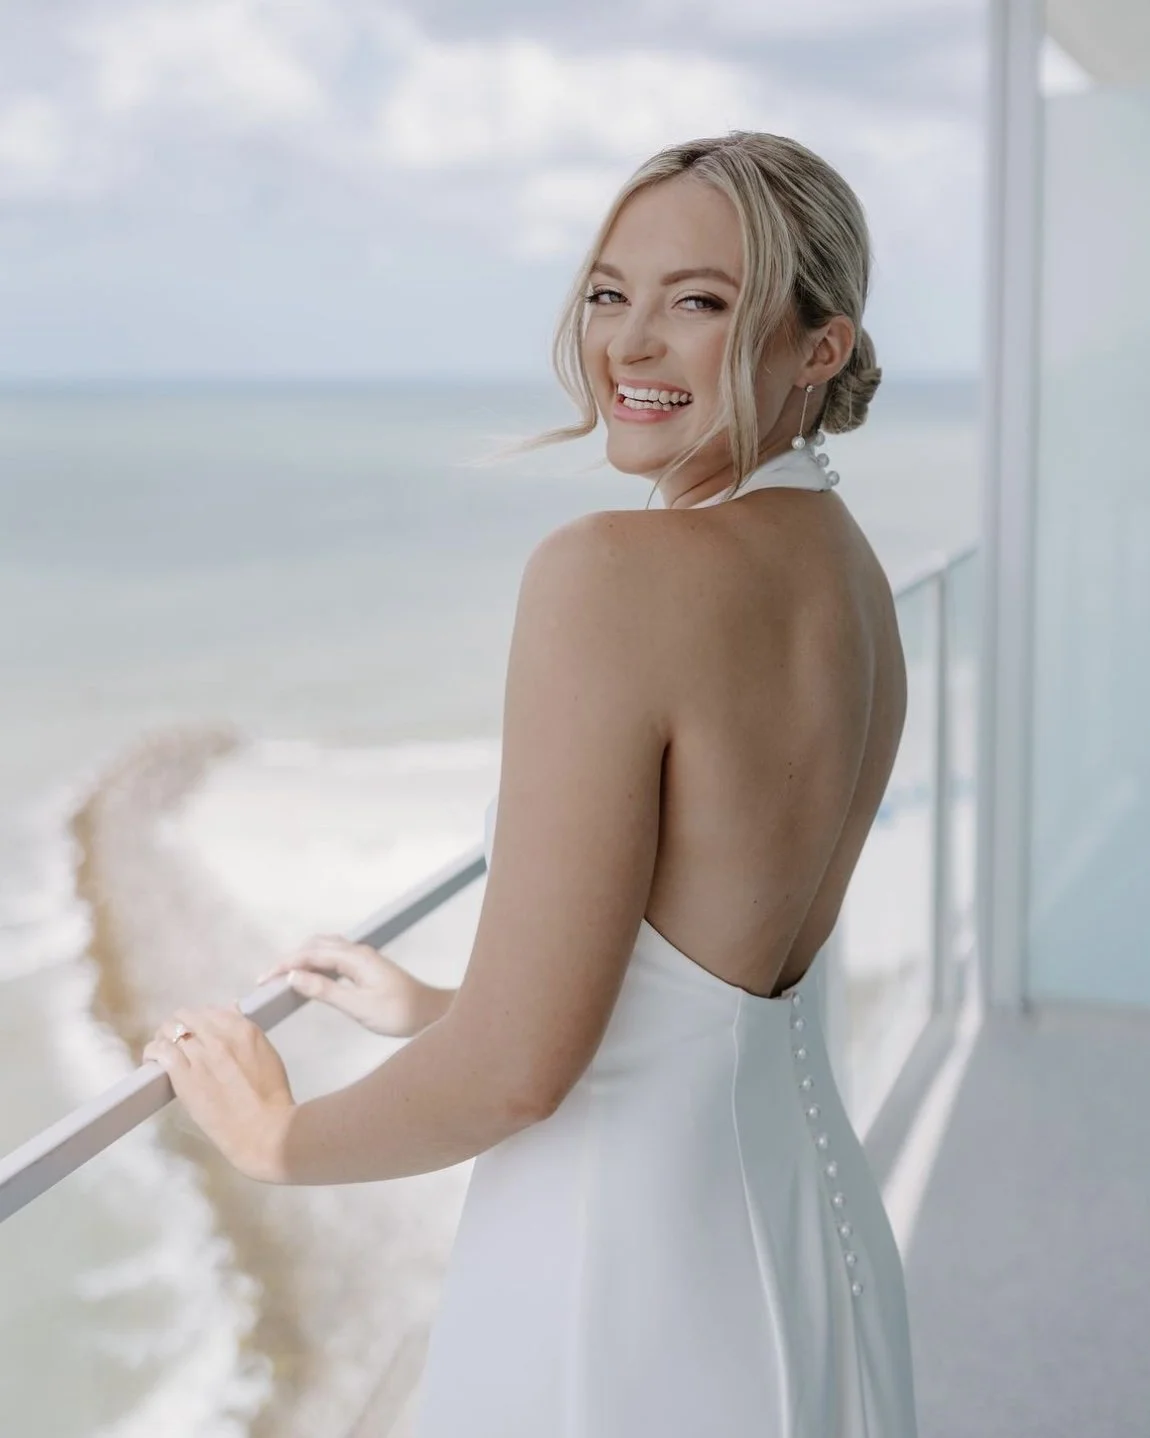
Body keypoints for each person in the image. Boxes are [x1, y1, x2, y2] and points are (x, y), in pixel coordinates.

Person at [145, 130, 917, 1436]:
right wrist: (448, 1001)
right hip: (807, 1239)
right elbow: (710, 962)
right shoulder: (849, 577)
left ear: (817, 348)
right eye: (611, 292)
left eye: (699, 302)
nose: (629, 344)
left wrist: (279, 1137)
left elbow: (513, 1077)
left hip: (616, 1272)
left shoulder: (608, 572)